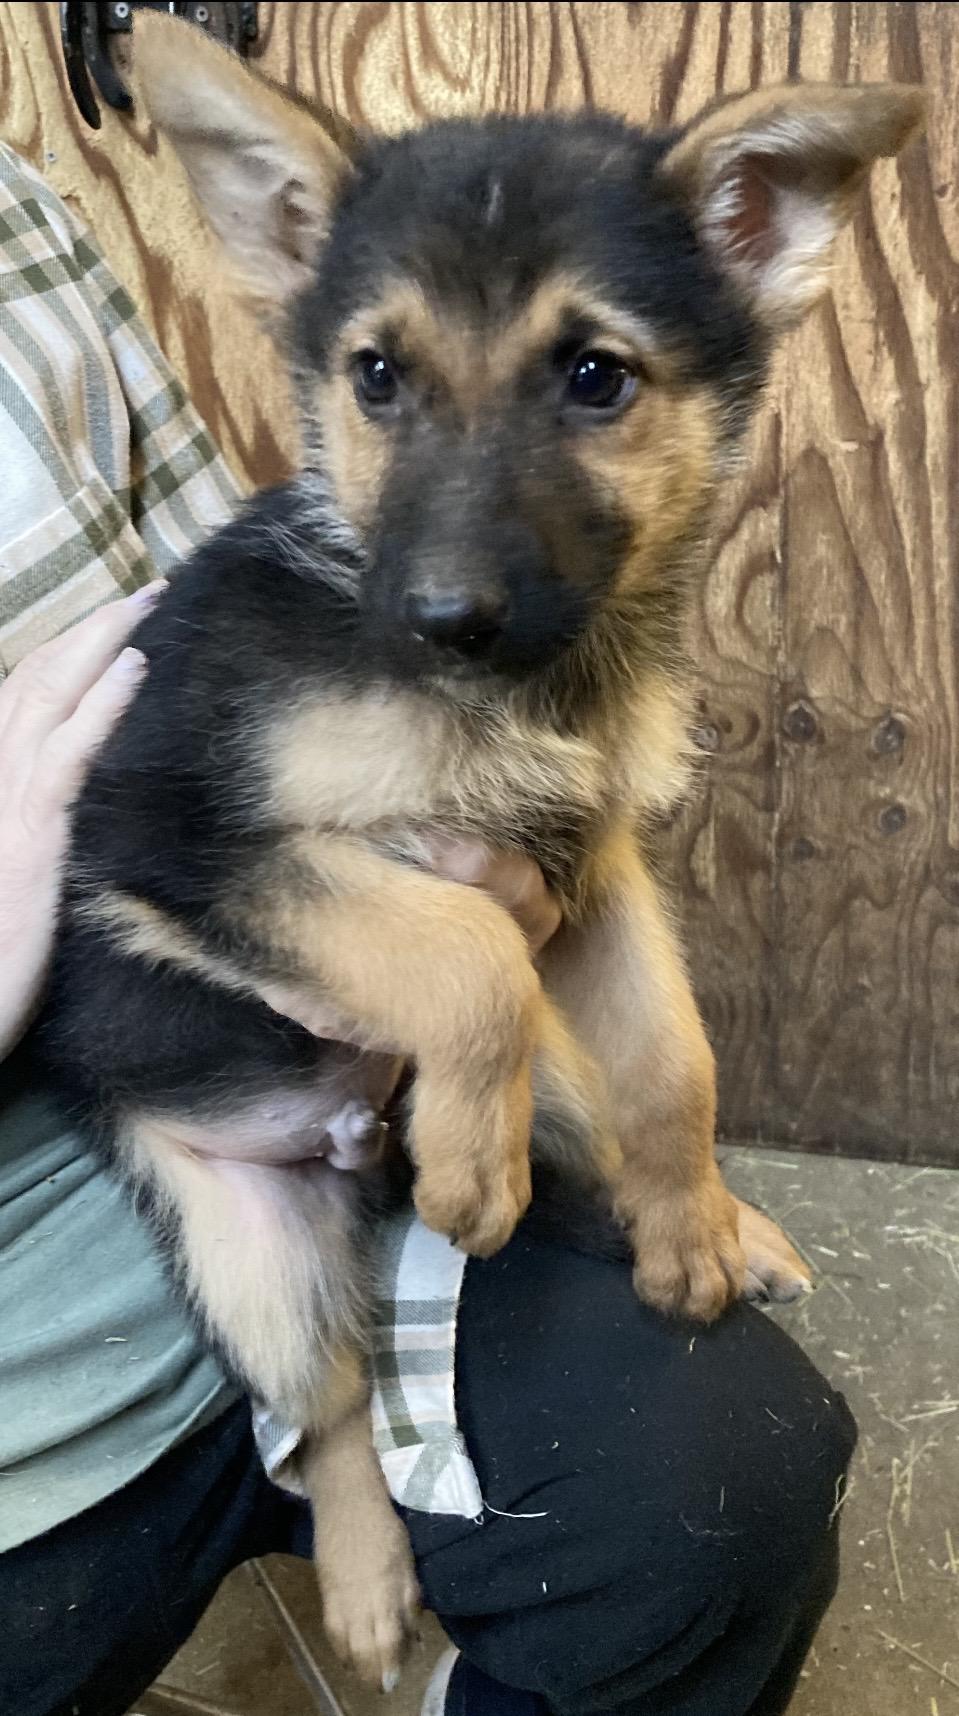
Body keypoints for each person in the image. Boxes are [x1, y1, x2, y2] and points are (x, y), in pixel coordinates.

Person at [0, 141, 855, 1716]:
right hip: (175, 1115)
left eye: (589, 377)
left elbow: (589, 885)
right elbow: (184, 861)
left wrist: (677, 1157)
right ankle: (341, 1481)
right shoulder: (306, 662)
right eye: (390, 379)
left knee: (724, 1487)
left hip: (383, 1107)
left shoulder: (19, 210)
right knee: (270, 1282)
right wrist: (461, 997)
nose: (459, 560)